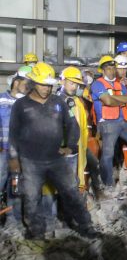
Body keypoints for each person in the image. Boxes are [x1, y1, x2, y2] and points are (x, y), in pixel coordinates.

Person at [8, 63, 96, 238]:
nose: (46, 89)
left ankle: (87, 226)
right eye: (42, 84)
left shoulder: (59, 103)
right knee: (32, 199)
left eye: (49, 85)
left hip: (56, 159)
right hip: (30, 161)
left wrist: (69, 146)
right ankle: (36, 232)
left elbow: (72, 125)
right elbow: (14, 133)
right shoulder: (20, 105)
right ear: (33, 82)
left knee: (72, 193)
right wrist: (14, 158)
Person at [90, 55, 127, 188]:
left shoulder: (118, 83)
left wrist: (113, 98)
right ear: (103, 70)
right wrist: (117, 99)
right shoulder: (97, 84)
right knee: (108, 153)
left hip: (122, 120)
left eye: (113, 68)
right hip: (107, 123)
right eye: (108, 68)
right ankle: (108, 184)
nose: (111, 71)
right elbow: (107, 101)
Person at [59, 67, 103, 196]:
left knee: (93, 164)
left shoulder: (77, 100)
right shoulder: (60, 101)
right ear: (62, 82)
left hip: (81, 144)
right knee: (72, 176)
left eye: (76, 84)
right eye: (71, 83)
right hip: (69, 146)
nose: (74, 87)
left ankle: (96, 191)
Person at [0, 67, 30, 219]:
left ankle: (13, 221)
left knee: (15, 188)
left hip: (19, 155)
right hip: (2, 151)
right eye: (26, 84)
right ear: (16, 82)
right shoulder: (1, 99)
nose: (28, 88)